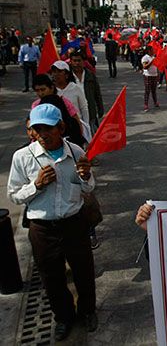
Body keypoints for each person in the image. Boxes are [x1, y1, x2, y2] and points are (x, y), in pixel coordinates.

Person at [7, 104, 98, 341]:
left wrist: (86, 176)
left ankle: (88, 310)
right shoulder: (23, 157)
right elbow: (14, 195)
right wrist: (36, 185)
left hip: (73, 224)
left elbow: (88, 188)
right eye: (38, 129)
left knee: (84, 271)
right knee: (51, 277)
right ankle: (64, 317)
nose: (43, 134)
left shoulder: (76, 152)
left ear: (61, 127)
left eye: (48, 128)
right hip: (42, 229)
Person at [32, 74, 86, 148]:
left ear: (51, 88)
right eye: (37, 90)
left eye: (43, 89)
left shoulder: (64, 101)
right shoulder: (36, 105)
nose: (41, 93)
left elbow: (76, 120)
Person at [70, 50, 104, 133]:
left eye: (79, 60)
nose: (77, 63)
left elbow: (97, 93)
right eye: (74, 61)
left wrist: (100, 108)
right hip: (74, 113)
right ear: (71, 62)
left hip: (90, 111)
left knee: (92, 135)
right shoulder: (68, 77)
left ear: (83, 62)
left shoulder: (90, 75)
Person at [51, 60, 89, 125]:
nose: (56, 74)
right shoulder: (50, 90)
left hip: (76, 126)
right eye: (54, 71)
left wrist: (86, 125)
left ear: (67, 74)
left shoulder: (75, 88)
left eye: (60, 71)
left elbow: (84, 108)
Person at [141, 46, 160, 112]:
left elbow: (157, 66)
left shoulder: (153, 57)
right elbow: (145, 67)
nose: (153, 51)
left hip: (154, 75)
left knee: (154, 90)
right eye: (152, 50)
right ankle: (146, 105)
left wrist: (158, 75)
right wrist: (152, 62)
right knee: (147, 90)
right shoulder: (145, 58)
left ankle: (155, 102)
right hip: (148, 76)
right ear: (149, 51)